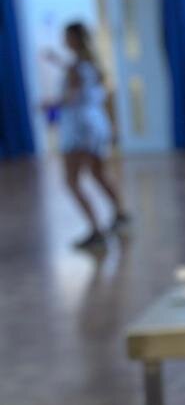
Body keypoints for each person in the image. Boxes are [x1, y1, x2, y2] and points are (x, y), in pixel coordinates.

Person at [46, 22, 128, 250]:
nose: (64, 40)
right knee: (98, 173)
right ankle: (120, 214)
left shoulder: (76, 67)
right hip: (95, 121)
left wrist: (49, 106)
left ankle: (95, 229)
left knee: (71, 180)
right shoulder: (92, 64)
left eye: (66, 37)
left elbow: (71, 96)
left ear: (74, 39)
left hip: (78, 127)